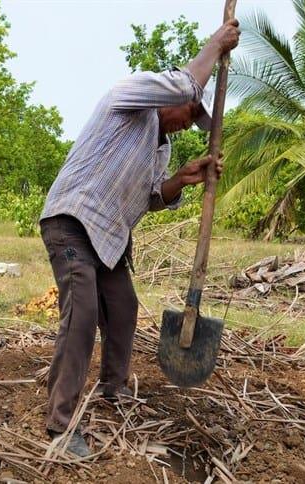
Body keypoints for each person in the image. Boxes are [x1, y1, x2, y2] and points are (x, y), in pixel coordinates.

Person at [38, 20, 240, 456]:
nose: (190, 122)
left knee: (124, 306)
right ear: (171, 99)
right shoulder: (131, 96)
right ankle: (60, 422)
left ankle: (113, 389)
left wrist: (181, 181)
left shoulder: (161, 147)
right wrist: (216, 44)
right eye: (190, 110)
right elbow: (186, 81)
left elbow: (150, 197)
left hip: (107, 239)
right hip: (72, 219)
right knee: (83, 310)